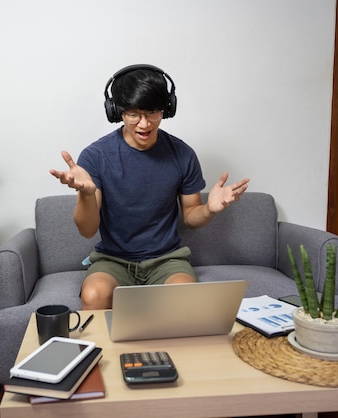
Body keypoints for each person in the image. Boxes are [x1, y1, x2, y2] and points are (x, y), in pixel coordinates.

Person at [50, 64, 249, 309]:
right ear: (117, 111)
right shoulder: (95, 156)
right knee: (93, 295)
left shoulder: (182, 154)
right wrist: (86, 194)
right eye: (134, 114)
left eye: (152, 113)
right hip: (113, 260)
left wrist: (210, 209)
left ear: (167, 109)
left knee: (186, 296)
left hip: (166, 260)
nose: (144, 124)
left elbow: (191, 217)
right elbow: (87, 230)